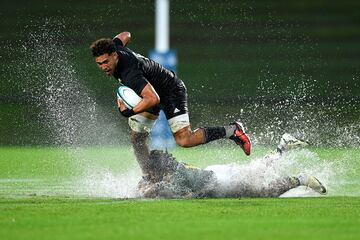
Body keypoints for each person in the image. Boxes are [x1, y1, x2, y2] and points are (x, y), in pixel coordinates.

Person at [90, 32, 251, 176]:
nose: (103, 67)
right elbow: (126, 34)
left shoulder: (130, 73)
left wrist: (128, 112)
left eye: (106, 62)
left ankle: (232, 130)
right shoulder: (116, 47)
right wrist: (115, 41)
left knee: (184, 140)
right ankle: (150, 176)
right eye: (99, 64)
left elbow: (153, 99)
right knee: (137, 138)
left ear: (115, 55)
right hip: (150, 92)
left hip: (170, 91)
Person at [136, 133, 327, 199]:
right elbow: (150, 184)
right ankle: (282, 147)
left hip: (225, 181)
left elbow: (177, 193)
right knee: (258, 169)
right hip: (217, 173)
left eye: (150, 172)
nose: (148, 174)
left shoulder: (175, 177)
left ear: (158, 169)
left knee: (264, 191)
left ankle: (301, 178)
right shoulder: (170, 170)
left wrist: (148, 191)